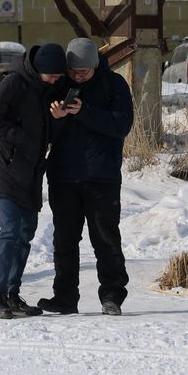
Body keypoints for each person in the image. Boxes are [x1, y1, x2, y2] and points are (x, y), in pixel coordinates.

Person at [38, 36, 133, 317]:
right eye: (73, 71)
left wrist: (84, 112)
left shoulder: (113, 85)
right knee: (64, 240)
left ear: (95, 66)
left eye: (84, 72)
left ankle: (112, 295)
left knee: (105, 238)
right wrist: (56, 119)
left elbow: (121, 125)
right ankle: (65, 297)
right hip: (63, 175)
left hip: (101, 175)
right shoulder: (60, 85)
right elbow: (45, 134)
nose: (77, 76)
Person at [0, 42, 66, 319]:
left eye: (58, 76)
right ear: (39, 69)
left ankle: (12, 295)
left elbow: (48, 133)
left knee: (26, 233)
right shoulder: (14, 82)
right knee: (11, 230)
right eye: (52, 75)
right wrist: (22, 141)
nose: (56, 80)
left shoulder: (46, 89)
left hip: (31, 170)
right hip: (6, 167)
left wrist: (59, 119)